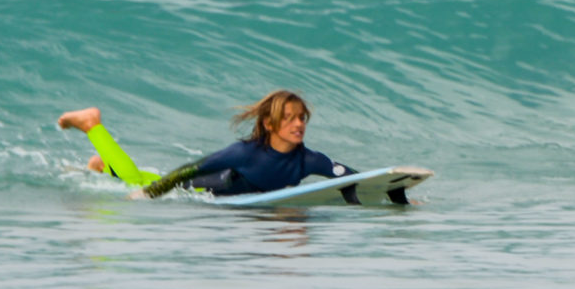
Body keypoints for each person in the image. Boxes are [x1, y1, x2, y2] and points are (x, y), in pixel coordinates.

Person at [56, 93, 354, 199]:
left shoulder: (310, 160)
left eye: (301, 118)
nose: (298, 124)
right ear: (269, 124)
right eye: (288, 119)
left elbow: (352, 178)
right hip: (192, 188)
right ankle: (91, 124)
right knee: (135, 180)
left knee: (128, 175)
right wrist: (150, 194)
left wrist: (394, 185)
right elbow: (189, 170)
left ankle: (101, 167)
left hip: (239, 195)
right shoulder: (244, 154)